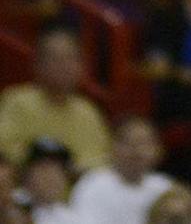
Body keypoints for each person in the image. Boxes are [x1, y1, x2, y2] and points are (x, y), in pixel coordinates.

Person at [0, 30, 110, 172]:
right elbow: (5, 149)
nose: (63, 66)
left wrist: (71, 171)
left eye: (70, 58)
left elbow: (101, 159)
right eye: (55, 58)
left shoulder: (88, 111)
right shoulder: (17, 101)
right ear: (38, 64)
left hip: (78, 183)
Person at [64, 117, 171, 224]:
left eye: (144, 143)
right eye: (129, 143)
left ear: (157, 149)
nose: (137, 151)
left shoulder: (163, 187)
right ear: (113, 146)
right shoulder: (93, 185)